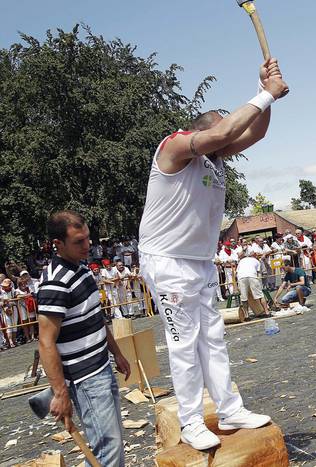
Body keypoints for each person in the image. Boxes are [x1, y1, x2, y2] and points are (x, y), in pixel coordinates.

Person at [137, 58, 287, 450]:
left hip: (199, 260)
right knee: (184, 344)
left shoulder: (216, 159)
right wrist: (263, 95)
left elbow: (255, 132)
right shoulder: (174, 148)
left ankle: (229, 408)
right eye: (221, 130)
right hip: (166, 259)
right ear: (202, 132)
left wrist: (266, 95)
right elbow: (226, 130)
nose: (228, 140)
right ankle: (190, 421)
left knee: (213, 339)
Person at [37, 211, 130, 466]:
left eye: (88, 238)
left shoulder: (83, 269)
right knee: (108, 450)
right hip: (85, 379)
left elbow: (95, 317)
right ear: (58, 244)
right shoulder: (54, 283)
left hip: (101, 367)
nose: (87, 246)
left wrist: (117, 353)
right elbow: (45, 342)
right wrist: (60, 393)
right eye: (79, 242)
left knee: (109, 445)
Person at [236, 250, 268, 321]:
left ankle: (247, 316)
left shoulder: (242, 261)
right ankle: (267, 312)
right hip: (252, 276)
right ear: (255, 255)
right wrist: (259, 284)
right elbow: (258, 273)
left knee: (244, 298)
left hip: (241, 277)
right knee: (260, 295)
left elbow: (237, 272)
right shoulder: (256, 261)